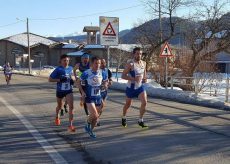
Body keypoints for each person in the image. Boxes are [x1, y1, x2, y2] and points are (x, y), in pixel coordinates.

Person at [78, 57, 108, 138]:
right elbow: (78, 82)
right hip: (89, 97)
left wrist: (105, 85)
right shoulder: (86, 73)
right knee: (94, 114)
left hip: (98, 97)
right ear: (91, 64)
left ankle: (91, 130)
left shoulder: (102, 73)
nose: (98, 65)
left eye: (99, 63)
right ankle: (87, 123)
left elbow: (105, 81)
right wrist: (83, 92)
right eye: (96, 63)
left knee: (96, 117)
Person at [121, 47, 148, 128]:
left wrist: (145, 79)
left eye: (140, 54)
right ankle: (124, 117)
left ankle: (140, 120)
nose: (139, 55)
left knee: (144, 102)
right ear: (134, 54)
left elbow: (144, 75)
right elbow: (123, 75)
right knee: (128, 104)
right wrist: (133, 79)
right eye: (137, 53)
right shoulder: (130, 64)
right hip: (131, 88)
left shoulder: (144, 63)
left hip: (140, 87)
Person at [49, 54, 76, 132]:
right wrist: (60, 80)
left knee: (71, 107)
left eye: (67, 60)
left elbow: (73, 77)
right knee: (59, 106)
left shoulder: (71, 68)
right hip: (60, 90)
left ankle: (70, 125)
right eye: (64, 60)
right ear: (60, 61)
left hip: (69, 90)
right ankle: (57, 116)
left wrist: (72, 80)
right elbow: (50, 79)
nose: (66, 62)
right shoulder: (58, 69)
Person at [97, 59, 113, 126]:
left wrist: (110, 82)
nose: (103, 64)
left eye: (104, 63)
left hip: (105, 91)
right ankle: (96, 119)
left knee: (101, 108)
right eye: (102, 63)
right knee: (101, 105)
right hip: (98, 92)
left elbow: (110, 79)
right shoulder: (96, 71)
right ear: (99, 63)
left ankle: (96, 117)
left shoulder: (107, 70)